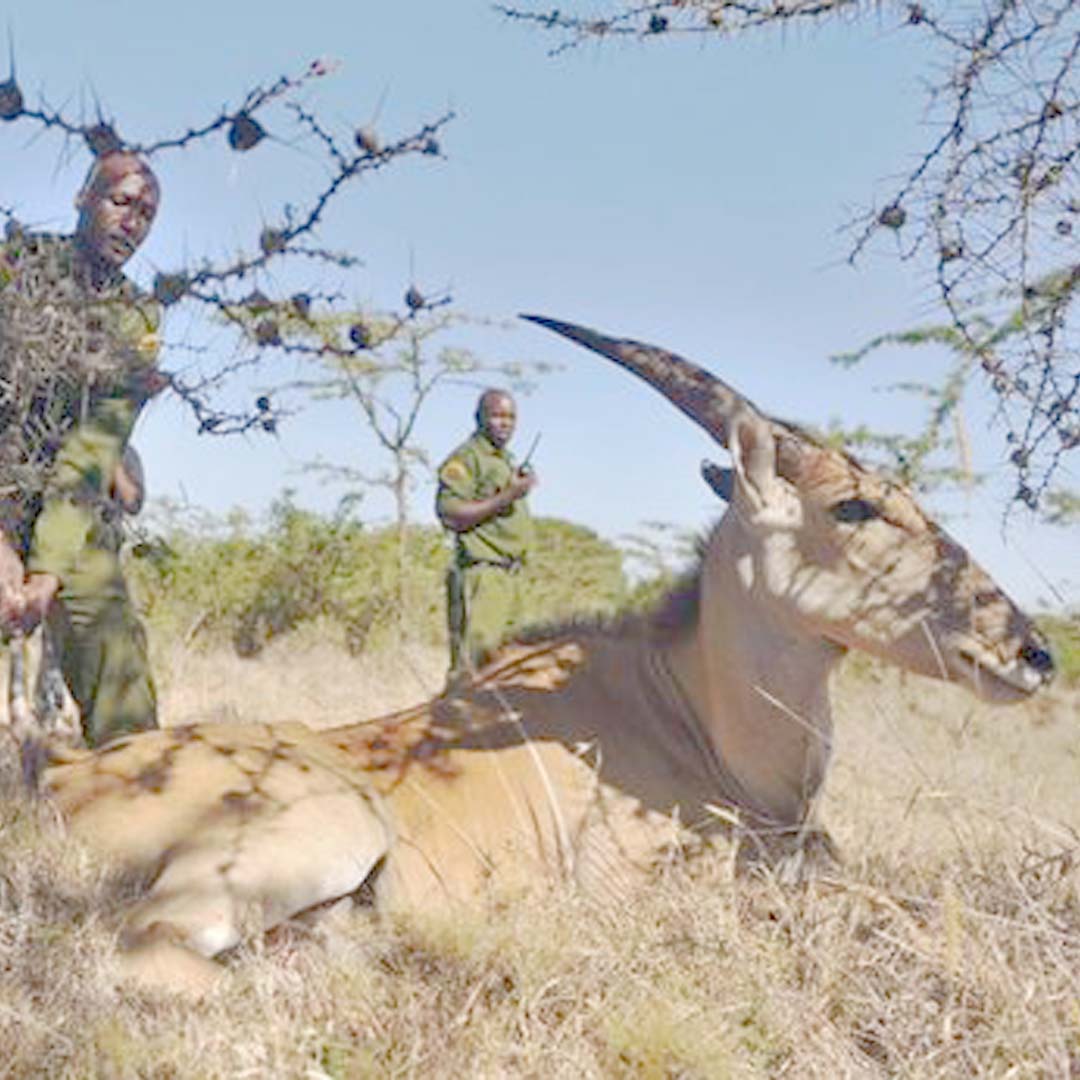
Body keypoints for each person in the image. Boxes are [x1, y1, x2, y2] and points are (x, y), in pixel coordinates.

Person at [0, 150, 163, 747]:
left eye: (147, 214)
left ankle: (136, 782)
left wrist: (45, 572)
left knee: (113, 652)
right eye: (121, 202)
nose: (132, 221)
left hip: (68, 505)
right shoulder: (15, 266)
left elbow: (92, 451)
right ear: (83, 198)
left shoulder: (138, 318)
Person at [435, 389, 537, 677]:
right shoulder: (466, 458)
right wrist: (507, 496)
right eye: (497, 416)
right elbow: (450, 513)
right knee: (473, 671)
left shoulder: (504, 460)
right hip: (483, 575)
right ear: (479, 418)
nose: (505, 423)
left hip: (512, 578)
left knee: (508, 670)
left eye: (511, 417)